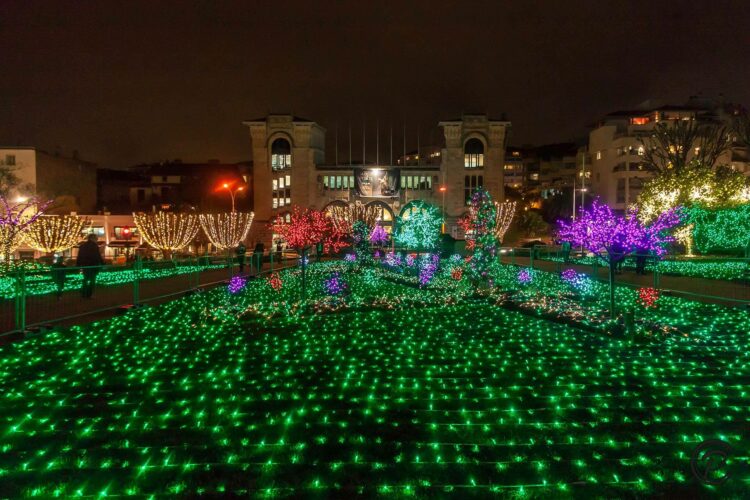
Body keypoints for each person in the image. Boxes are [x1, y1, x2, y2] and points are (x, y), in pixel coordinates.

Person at [76, 234, 104, 298]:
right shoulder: (94, 246)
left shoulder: (82, 246)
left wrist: (78, 265)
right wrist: (102, 263)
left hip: (85, 266)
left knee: (85, 280)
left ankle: (84, 293)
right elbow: (97, 256)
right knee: (92, 280)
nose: (97, 240)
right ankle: (90, 294)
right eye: (96, 238)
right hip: (92, 265)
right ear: (92, 238)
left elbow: (79, 256)